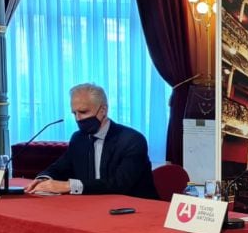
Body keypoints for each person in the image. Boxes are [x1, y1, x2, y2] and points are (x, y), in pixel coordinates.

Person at [25, 83, 158, 200]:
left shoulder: (132, 140)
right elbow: (58, 168)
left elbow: (119, 184)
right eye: (74, 113)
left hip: (134, 209)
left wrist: (69, 185)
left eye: (83, 112)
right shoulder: (79, 138)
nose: (78, 119)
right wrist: (43, 180)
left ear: (103, 110)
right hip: (91, 207)